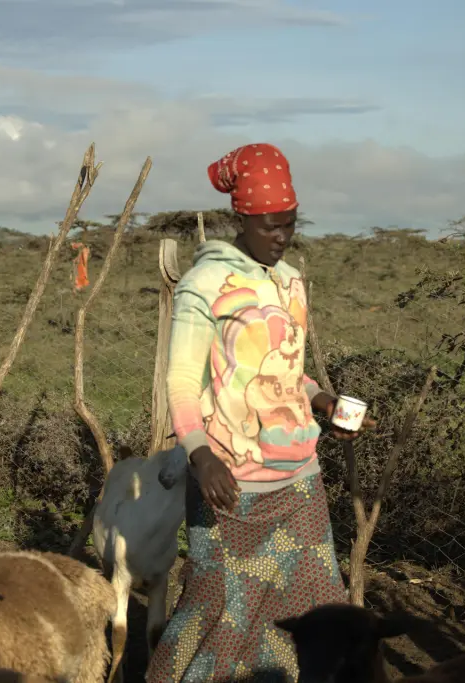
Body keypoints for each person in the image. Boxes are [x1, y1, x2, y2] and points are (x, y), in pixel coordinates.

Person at [145, 142, 375, 683]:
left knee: (313, 611)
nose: (281, 236)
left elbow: (287, 370)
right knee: (220, 610)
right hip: (230, 483)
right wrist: (201, 457)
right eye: (270, 225)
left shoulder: (290, 280)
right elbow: (181, 382)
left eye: (289, 224)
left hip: (299, 479)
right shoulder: (204, 285)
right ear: (241, 220)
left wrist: (323, 401)